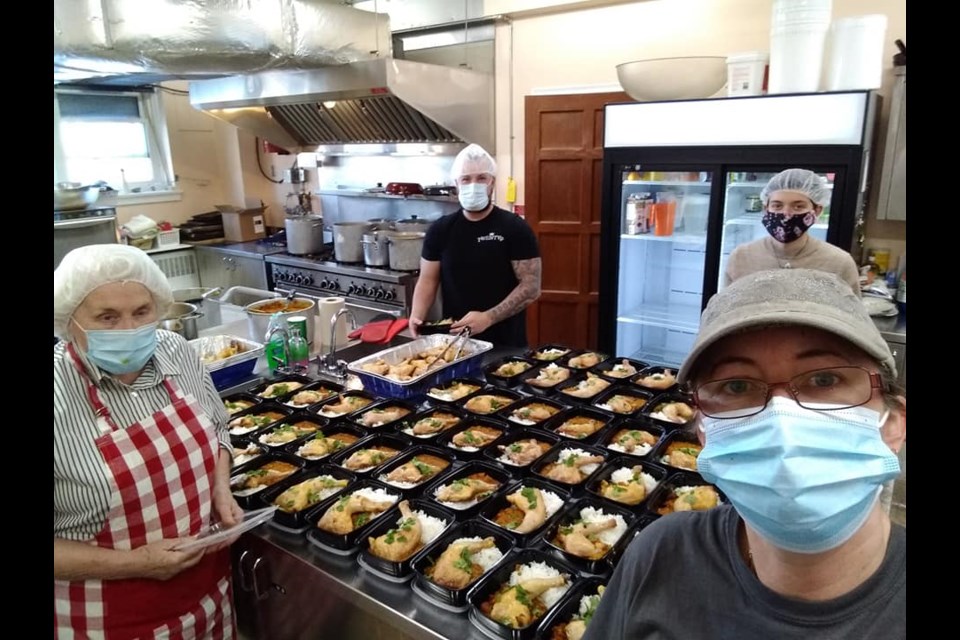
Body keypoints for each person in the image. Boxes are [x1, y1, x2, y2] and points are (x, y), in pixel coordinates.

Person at [582, 269, 905, 639]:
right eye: (738, 386)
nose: (782, 420)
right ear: (703, 432)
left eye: (824, 379)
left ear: (893, 423)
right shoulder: (660, 555)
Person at [53, 244, 242, 638]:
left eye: (141, 312)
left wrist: (220, 490)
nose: (129, 330)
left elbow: (219, 429)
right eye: (107, 317)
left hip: (208, 596)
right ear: (69, 320)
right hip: (108, 618)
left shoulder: (176, 352)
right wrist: (138, 563)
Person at [409, 143, 541, 347]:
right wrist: (416, 315)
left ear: (492, 183)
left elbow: (531, 287)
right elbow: (427, 280)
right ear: (457, 184)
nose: (473, 185)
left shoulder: (514, 228)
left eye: (481, 178)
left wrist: (488, 318)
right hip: (454, 344)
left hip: (505, 344)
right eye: (466, 179)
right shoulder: (441, 230)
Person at [723, 168, 862, 296]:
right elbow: (724, 310)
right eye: (777, 206)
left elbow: (852, 318)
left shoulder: (839, 263)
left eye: (798, 206)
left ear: (817, 210)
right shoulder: (741, 257)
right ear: (766, 209)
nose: (786, 214)